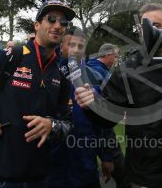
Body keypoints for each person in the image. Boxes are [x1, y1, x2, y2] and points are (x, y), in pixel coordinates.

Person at [75, 3, 162, 188]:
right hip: (145, 175)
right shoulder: (128, 69)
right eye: (145, 28)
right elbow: (110, 116)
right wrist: (92, 105)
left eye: (157, 26)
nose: (150, 32)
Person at [0, 0, 75, 187]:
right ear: (37, 25)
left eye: (63, 22)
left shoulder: (61, 74)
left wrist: (52, 124)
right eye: (52, 19)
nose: (58, 25)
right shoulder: (10, 55)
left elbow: (68, 122)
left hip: (37, 178)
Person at [47, 29, 115, 188]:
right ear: (62, 45)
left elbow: (104, 123)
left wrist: (107, 156)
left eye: (81, 46)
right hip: (54, 163)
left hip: (85, 163)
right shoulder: (48, 74)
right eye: (71, 45)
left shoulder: (95, 77)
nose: (76, 50)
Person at [87, 43, 131, 188]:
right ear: (108, 55)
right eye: (116, 56)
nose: (117, 60)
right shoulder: (99, 73)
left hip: (90, 131)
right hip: (100, 131)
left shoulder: (90, 68)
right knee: (123, 174)